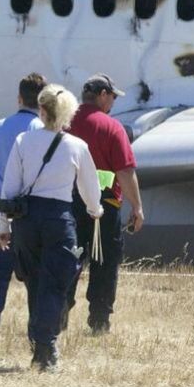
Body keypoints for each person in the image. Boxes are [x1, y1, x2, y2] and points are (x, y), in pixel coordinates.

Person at [0, 84, 102, 370]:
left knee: (33, 281)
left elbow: (10, 187)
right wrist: (96, 211)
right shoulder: (77, 146)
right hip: (59, 218)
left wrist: (3, 224)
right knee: (55, 283)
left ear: (41, 111)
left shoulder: (22, 141)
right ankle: (47, 346)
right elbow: (89, 189)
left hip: (26, 219)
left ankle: (39, 342)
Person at [0, 73, 47, 352]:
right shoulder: (45, 130)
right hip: (34, 206)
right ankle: (37, 333)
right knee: (35, 272)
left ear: (18, 98)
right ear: (43, 100)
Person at [65, 74, 144, 334]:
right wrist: (137, 207)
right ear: (102, 94)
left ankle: (58, 311)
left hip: (68, 205)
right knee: (104, 262)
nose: (113, 102)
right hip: (104, 207)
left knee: (67, 258)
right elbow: (124, 171)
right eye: (112, 96)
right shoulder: (111, 127)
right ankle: (99, 320)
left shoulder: (63, 124)